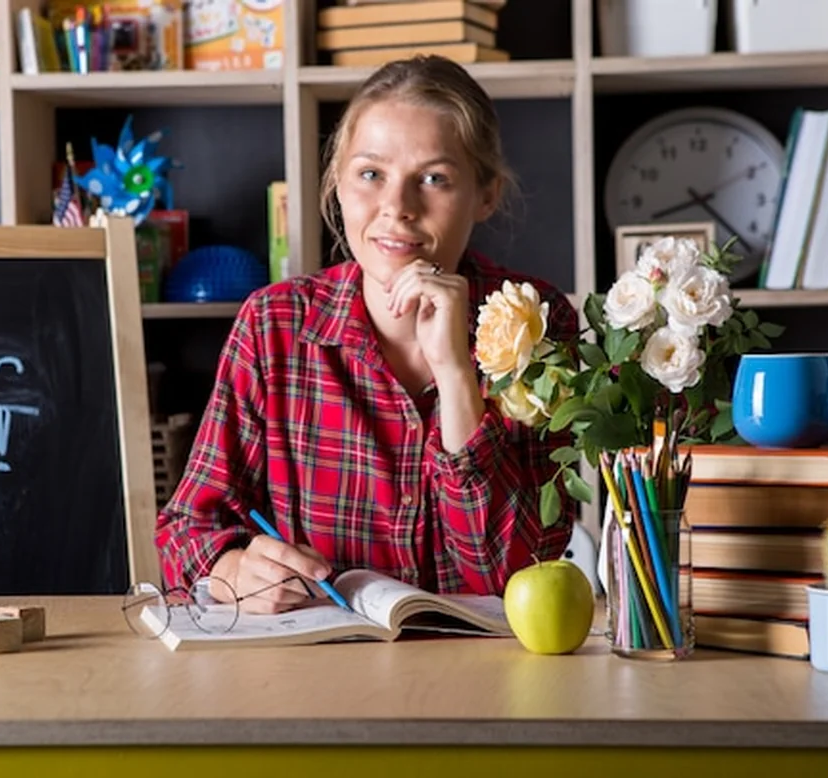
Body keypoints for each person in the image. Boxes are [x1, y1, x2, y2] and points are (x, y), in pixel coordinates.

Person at [154, 55, 578, 614]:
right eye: (371, 174)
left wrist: (455, 375)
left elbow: (514, 575)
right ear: (338, 182)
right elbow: (185, 530)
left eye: (434, 179)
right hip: (314, 676)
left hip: (482, 679)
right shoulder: (274, 325)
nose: (396, 208)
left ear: (485, 194)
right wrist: (231, 568)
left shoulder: (537, 321)